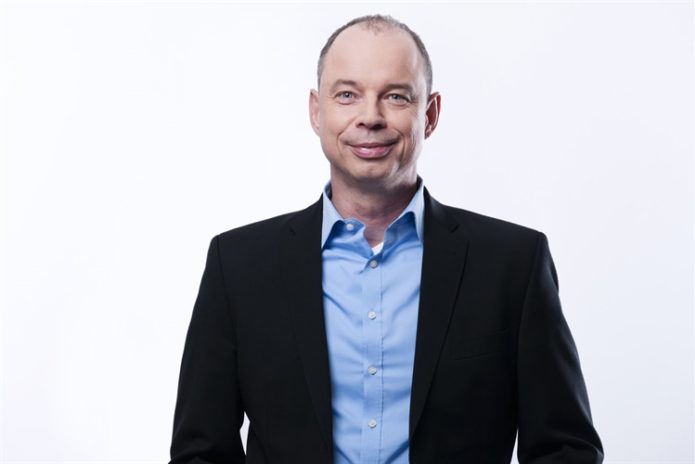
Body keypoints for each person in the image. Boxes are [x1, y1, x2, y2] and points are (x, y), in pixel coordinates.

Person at [169, 14, 603, 464]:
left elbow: (565, 449)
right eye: (347, 95)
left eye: (396, 96)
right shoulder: (238, 266)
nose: (370, 118)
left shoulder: (513, 264)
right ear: (317, 111)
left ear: (429, 114)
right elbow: (200, 452)